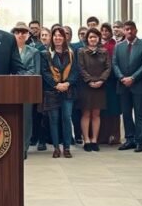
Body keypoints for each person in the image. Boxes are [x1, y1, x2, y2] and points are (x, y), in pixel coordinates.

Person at [112, 20, 142, 152]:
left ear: (136, 30)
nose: (129, 31)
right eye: (127, 29)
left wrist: (133, 78)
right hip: (123, 85)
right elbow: (115, 64)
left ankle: (139, 141)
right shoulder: (118, 46)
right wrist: (122, 78)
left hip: (138, 85)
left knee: (139, 114)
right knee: (126, 114)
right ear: (124, 31)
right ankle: (129, 139)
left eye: (131, 29)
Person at [41, 26, 77, 158]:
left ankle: (66, 147)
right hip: (52, 91)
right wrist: (56, 85)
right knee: (54, 120)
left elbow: (75, 71)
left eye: (60, 35)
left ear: (64, 38)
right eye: (55, 35)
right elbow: (44, 72)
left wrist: (67, 83)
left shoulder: (71, 53)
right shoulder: (46, 53)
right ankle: (56, 148)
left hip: (68, 91)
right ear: (52, 37)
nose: (57, 37)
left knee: (66, 119)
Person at [11, 22, 41, 157]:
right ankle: (13, 146)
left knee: (26, 119)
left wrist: (19, 76)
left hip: (26, 89)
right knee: (12, 118)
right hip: (10, 89)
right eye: (17, 32)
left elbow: (35, 71)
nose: (20, 35)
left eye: (23, 32)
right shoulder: (8, 50)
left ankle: (24, 147)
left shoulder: (34, 51)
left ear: (28, 34)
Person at [78, 27, 110, 152]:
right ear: (87, 39)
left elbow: (108, 68)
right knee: (86, 113)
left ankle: (94, 140)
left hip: (100, 86)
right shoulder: (81, 51)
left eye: (95, 37)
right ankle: (86, 140)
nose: (93, 39)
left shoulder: (104, 51)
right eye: (90, 37)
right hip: (86, 86)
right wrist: (90, 81)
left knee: (96, 114)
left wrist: (101, 80)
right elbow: (81, 68)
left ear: (98, 38)